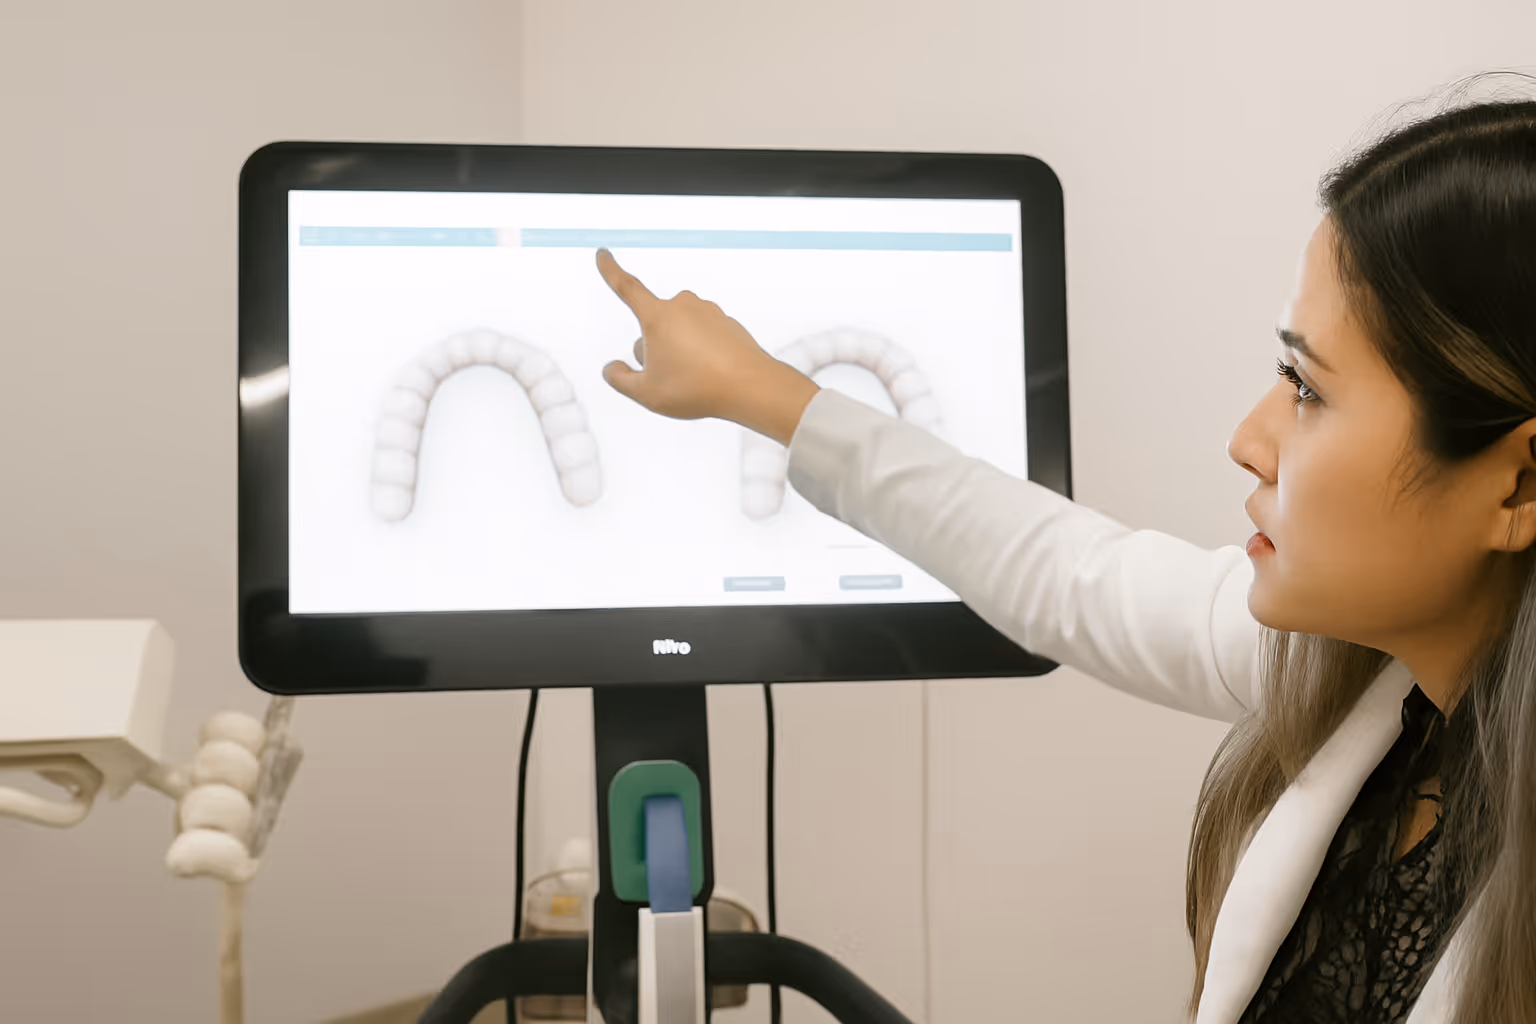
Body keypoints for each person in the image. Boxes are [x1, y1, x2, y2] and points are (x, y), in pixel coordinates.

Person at [592, 88, 1536, 1024]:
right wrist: (766, 396)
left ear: (1518, 487)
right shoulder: (1373, 690)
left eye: (1307, 389)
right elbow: (1074, 575)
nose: (1248, 438)